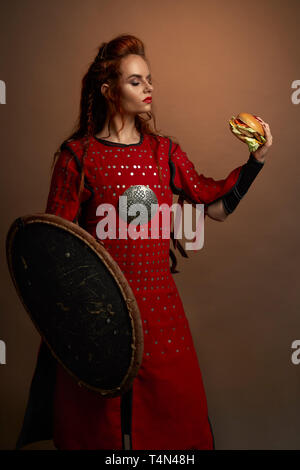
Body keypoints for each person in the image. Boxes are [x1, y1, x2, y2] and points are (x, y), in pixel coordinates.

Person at [16, 34, 273, 450]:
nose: (149, 87)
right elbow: (55, 253)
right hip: (98, 319)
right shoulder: (77, 157)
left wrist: (255, 162)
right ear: (109, 90)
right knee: (97, 432)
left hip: (161, 313)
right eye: (136, 81)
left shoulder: (163, 151)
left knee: (173, 428)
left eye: (149, 79)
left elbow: (215, 208)